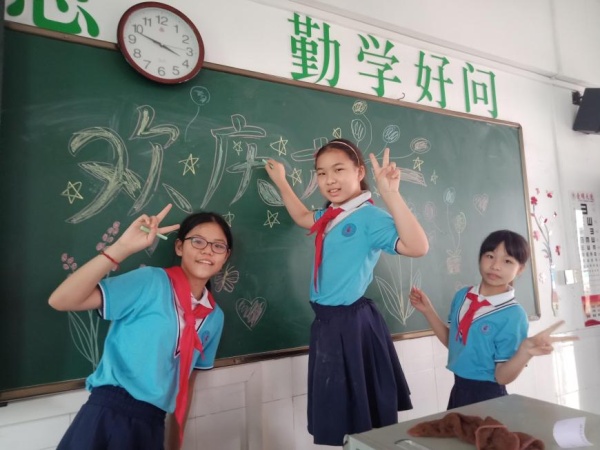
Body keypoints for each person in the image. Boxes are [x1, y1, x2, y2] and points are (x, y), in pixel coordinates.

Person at [264, 138, 429, 446]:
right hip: (328, 322)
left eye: (338, 170)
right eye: (321, 173)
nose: (329, 180)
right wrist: (282, 182)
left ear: (359, 172)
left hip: (350, 324)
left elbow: (417, 247)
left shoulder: (369, 217)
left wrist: (391, 194)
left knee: (361, 418)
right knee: (343, 416)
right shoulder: (332, 215)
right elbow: (302, 217)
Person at [48, 204, 233, 450]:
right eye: (197, 241)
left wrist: (174, 444)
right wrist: (122, 248)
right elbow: (61, 300)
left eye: (218, 246)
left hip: (153, 424)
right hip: (108, 413)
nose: (207, 251)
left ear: (226, 256)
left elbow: (187, 384)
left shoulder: (214, 317)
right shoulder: (151, 281)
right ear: (179, 247)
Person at [409, 229, 577, 409]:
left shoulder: (513, 315)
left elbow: (502, 377)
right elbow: (454, 343)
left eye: (507, 261)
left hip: (489, 397)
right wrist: (428, 311)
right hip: (458, 390)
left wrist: (525, 351)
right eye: (490, 256)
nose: (496, 266)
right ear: (480, 258)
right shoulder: (462, 296)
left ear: (520, 269)